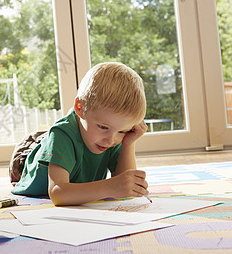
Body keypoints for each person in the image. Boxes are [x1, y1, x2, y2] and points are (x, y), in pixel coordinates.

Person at [11, 62, 149, 206]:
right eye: (102, 127)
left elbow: (125, 183)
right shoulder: (61, 135)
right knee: (52, 139)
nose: (111, 140)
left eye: (123, 131)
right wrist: (108, 187)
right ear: (79, 107)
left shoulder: (112, 135)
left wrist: (128, 143)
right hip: (23, 161)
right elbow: (58, 194)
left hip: (72, 151)